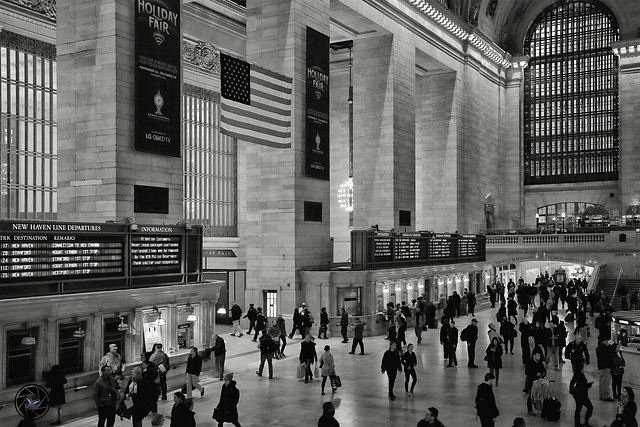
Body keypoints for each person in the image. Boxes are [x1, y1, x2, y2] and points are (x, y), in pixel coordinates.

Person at [525, 349, 546, 415]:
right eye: (538, 356)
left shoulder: (540, 363)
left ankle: (540, 407)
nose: (539, 357)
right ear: (534, 356)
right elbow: (527, 372)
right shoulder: (529, 363)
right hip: (531, 381)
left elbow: (544, 371)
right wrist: (535, 374)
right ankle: (530, 409)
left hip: (539, 381)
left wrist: (543, 374)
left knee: (540, 395)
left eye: (539, 356)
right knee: (531, 395)